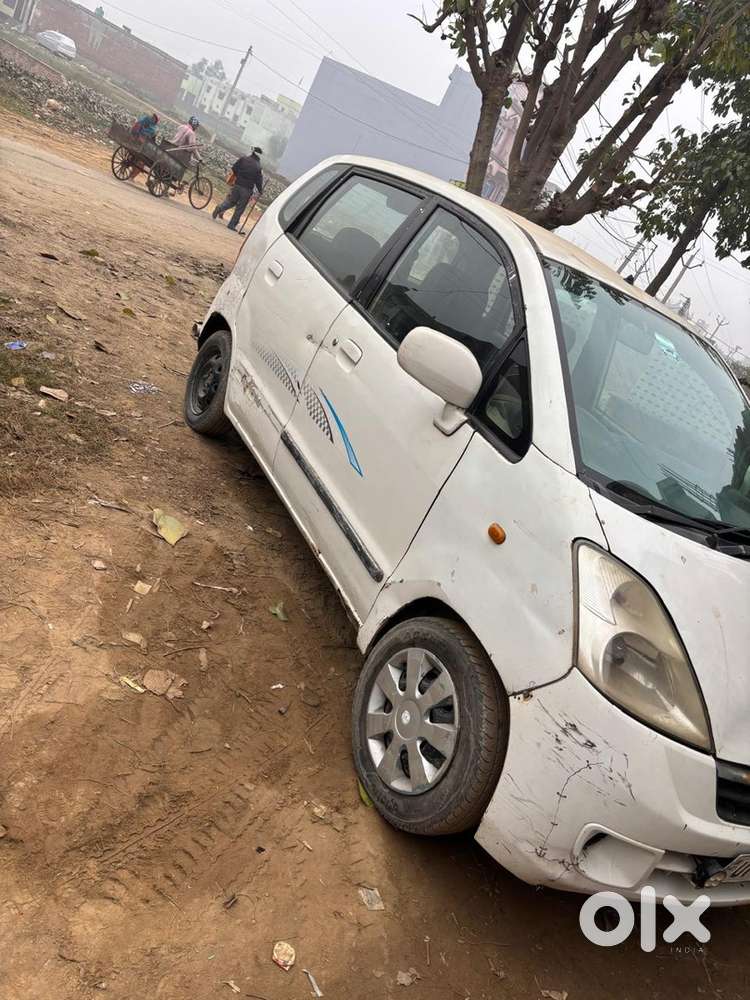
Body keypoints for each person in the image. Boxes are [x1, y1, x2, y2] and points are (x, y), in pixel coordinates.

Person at [213, 146, 264, 232]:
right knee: (240, 207)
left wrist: (238, 177)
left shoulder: (243, 159)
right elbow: (258, 180)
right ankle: (232, 224)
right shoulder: (258, 166)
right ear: (259, 156)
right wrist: (260, 190)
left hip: (237, 184)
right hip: (247, 189)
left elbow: (234, 168)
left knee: (231, 201)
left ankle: (219, 208)